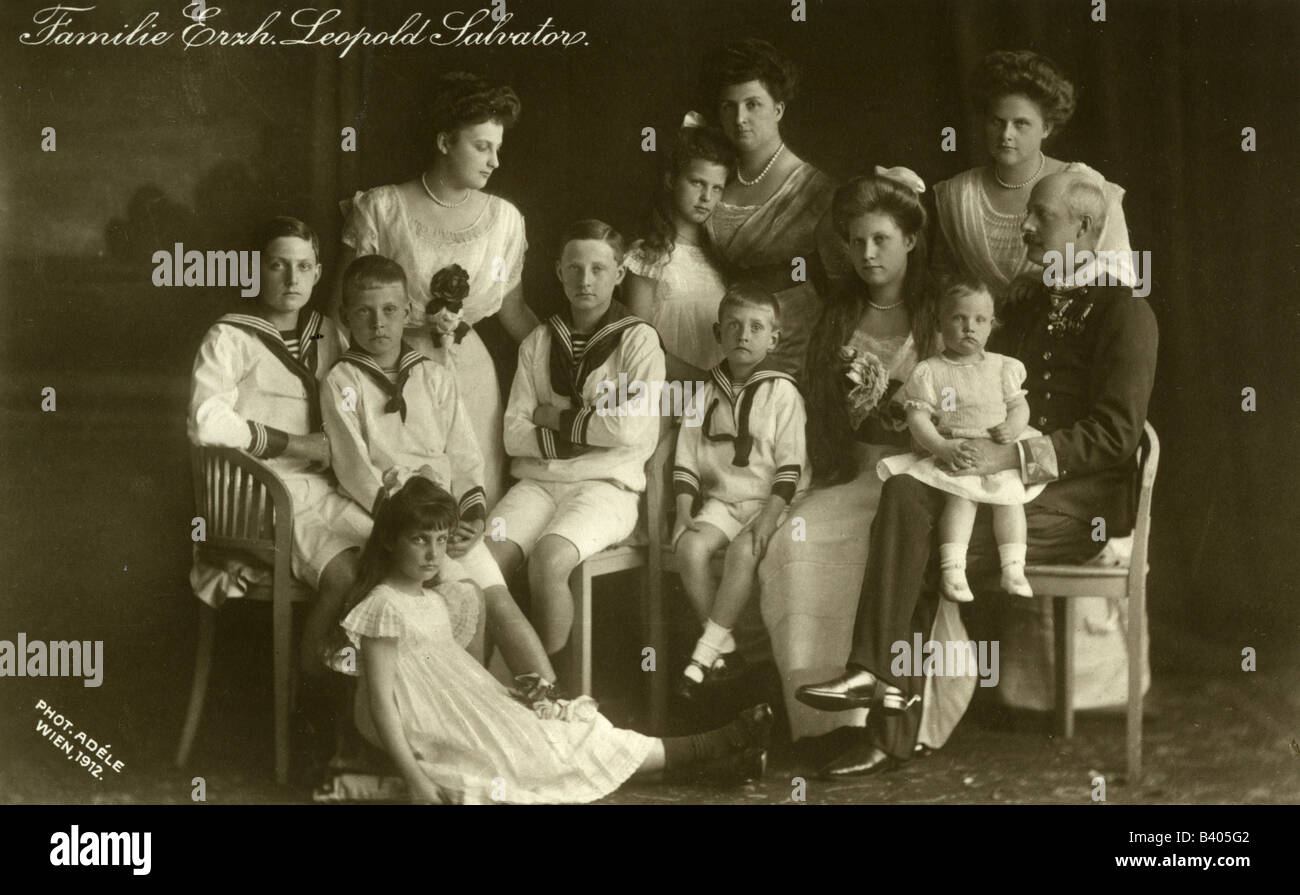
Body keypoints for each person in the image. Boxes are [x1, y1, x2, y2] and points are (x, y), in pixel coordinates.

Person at [796, 168, 1158, 777]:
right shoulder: (1021, 301)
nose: (1028, 225)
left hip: (1077, 500)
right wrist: (918, 415)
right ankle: (874, 680)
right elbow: (970, 379)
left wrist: (1011, 457)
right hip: (986, 477)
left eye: (1042, 215)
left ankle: (887, 721)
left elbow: (1117, 435)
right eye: (1030, 213)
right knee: (906, 491)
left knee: (921, 542)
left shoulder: (1126, 312)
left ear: (1088, 228)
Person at [342, 474, 772, 804]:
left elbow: (461, 673)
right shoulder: (384, 606)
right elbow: (380, 702)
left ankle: (712, 760)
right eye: (419, 540)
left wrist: (508, 700)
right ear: (387, 542)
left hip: (460, 713)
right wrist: (416, 778)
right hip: (433, 728)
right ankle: (712, 747)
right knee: (541, 754)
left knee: (557, 736)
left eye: (440, 541)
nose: (434, 554)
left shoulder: (437, 598)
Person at [757, 168, 940, 744]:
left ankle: (872, 718)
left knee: (865, 546)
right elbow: (817, 405)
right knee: (794, 542)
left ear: (909, 240)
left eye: (881, 239)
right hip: (850, 469)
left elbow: (967, 399)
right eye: (856, 241)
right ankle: (820, 725)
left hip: (915, 476)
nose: (867, 253)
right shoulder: (837, 314)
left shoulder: (939, 313)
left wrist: (902, 409)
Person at [321, 253, 558, 686]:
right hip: (381, 513)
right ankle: (451, 700)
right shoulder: (343, 381)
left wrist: (470, 516)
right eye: (364, 312)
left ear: (408, 312)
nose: (379, 324)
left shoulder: (434, 375)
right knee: (458, 593)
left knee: (495, 595)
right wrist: (411, 518)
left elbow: (466, 454)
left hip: (441, 515)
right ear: (344, 316)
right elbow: (353, 466)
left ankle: (549, 702)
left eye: (390, 310)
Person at [336, 72, 537, 508]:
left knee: (470, 498)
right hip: (390, 375)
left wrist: (569, 359)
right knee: (403, 504)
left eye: (497, 148)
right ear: (445, 142)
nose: (494, 161)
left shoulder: (505, 219)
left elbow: (514, 313)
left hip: (472, 376)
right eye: (482, 146)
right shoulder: (383, 208)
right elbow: (341, 310)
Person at [188, 216, 369, 676]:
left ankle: (364, 703)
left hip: (329, 489)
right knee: (344, 575)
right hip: (265, 495)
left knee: (392, 552)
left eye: (303, 267)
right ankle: (310, 699)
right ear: (255, 269)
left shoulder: (328, 333)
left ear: (318, 272)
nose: (291, 279)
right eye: (277, 265)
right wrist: (295, 445)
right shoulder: (230, 336)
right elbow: (205, 421)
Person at [487, 220, 666, 670]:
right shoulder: (539, 340)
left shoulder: (638, 340)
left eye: (599, 269)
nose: (585, 280)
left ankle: (545, 693)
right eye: (575, 268)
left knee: (547, 562)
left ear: (619, 274)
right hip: (538, 484)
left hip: (606, 487)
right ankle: (492, 687)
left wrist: (558, 420)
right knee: (480, 561)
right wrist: (587, 431)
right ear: (559, 272)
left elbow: (630, 430)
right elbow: (513, 433)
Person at [671, 283, 809, 697]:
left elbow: (790, 465)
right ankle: (726, 649)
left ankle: (704, 654)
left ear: (774, 338)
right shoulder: (705, 394)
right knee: (688, 548)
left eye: (755, 327)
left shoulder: (783, 392)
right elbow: (686, 461)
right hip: (723, 501)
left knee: (741, 552)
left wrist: (767, 520)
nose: (743, 335)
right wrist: (683, 512)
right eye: (733, 326)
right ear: (718, 334)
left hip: (773, 501)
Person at [877, 279, 1044, 603]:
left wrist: (1013, 426)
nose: (970, 327)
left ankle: (1013, 567)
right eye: (958, 318)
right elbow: (918, 417)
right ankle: (953, 570)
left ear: (992, 324)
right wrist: (941, 446)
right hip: (957, 448)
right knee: (960, 499)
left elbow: (1018, 404)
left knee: (1011, 501)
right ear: (939, 323)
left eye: (980, 320)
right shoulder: (931, 371)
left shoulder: (1002, 367)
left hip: (999, 449)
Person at [700, 38, 851, 379]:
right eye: (729, 106)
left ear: (778, 109)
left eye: (753, 104)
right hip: (723, 334)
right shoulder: (713, 178)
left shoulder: (816, 191)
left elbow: (845, 290)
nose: (740, 118)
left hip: (793, 339)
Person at [933, 49, 1134, 304]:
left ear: (1046, 128)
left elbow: (1121, 277)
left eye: (1021, 124)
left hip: (1063, 333)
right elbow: (942, 278)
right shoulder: (957, 194)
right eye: (997, 121)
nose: (1006, 134)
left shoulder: (1087, 185)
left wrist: (1047, 281)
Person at [624, 119, 734, 381]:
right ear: (672, 180)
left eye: (716, 187)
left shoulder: (718, 257)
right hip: (667, 394)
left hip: (715, 397)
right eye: (697, 183)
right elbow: (642, 348)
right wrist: (707, 382)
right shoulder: (646, 257)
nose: (707, 197)